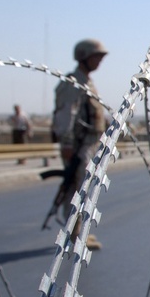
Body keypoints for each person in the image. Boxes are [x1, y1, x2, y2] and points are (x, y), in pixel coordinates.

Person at [52, 38, 108, 250]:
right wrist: (67, 144)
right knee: (78, 190)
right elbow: (67, 114)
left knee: (83, 188)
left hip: (88, 144)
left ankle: (78, 233)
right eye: (97, 57)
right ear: (84, 56)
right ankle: (75, 236)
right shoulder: (74, 82)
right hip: (78, 146)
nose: (99, 62)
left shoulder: (86, 81)